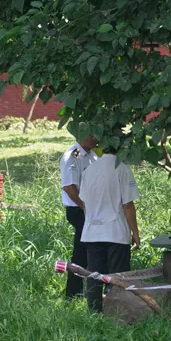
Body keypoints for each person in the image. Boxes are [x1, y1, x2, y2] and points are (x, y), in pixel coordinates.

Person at [79, 144, 140, 313]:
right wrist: (135, 232)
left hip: (92, 232)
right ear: (119, 148)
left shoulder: (89, 171)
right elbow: (128, 205)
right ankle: (118, 311)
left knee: (94, 275)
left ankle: (94, 312)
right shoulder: (122, 169)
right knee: (118, 276)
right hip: (116, 232)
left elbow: (84, 203)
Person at [59, 134, 98, 300]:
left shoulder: (94, 155)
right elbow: (69, 186)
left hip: (91, 209)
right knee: (81, 251)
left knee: (92, 249)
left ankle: (91, 289)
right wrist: (84, 206)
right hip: (79, 210)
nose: (98, 138)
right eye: (94, 135)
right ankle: (73, 293)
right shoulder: (72, 156)